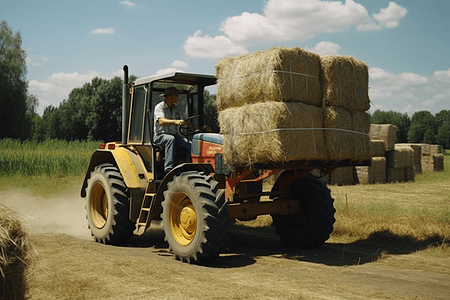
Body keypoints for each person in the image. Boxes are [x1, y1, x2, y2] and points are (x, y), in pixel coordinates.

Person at [154, 87, 192, 173]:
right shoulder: (159, 107)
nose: (177, 98)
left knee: (191, 146)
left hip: (175, 136)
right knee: (170, 139)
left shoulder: (176, 108)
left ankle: (189, 168)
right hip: (160, 136)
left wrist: (198, 128)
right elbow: (161, 121)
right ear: (169, 97)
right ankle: (169, 169)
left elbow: (186, 121)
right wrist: (176, 122)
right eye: (176, 96)